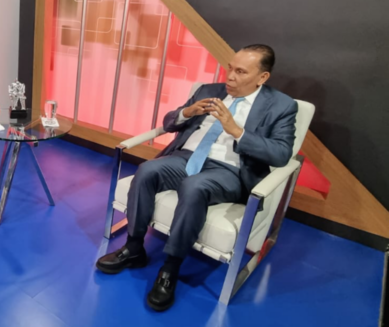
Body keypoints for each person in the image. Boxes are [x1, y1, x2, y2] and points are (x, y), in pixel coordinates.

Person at [96, 44, 297, 311]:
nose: (230, 77)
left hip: (230, 170)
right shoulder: (208, 90)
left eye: (240, 72)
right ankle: (134, 248)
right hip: (186, 157)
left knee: (194, 187)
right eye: (230, 68)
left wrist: (236, 131)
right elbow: (168, 123)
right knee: (147, 170)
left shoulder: (282, 106)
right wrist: (187, 112)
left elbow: (281, 154)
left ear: (262, 77)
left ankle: (170, 268)